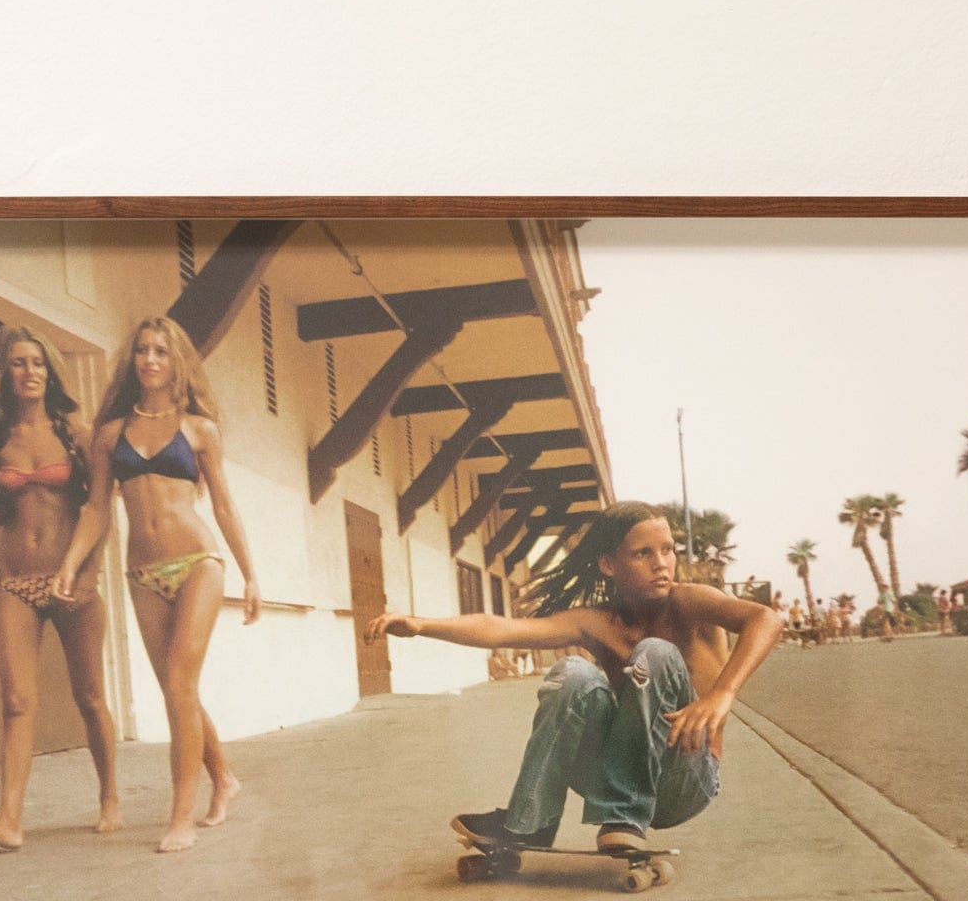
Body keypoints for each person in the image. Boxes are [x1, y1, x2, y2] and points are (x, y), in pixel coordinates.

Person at [364, 502, 783, 856]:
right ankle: (529, 822)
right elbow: (504, 628)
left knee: (654, 653)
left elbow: (765, 619)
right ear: (608, 564)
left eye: (668, 550)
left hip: (684, 779)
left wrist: (722, 694)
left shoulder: (688, 601)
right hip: (619, 772)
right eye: (643, 554)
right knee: (573, 673)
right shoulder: (597, 621)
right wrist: (421, 625)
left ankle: (623, 816)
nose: (662, 564)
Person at [53, 315, 262, 853]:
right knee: (178, 688)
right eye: (143, 350)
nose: (150, 359)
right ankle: (225, 779)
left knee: (178, 684)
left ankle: (180, 816)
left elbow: (224, 505)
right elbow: (97, 509)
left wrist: (251, 574)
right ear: (133, 361)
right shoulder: (109, 434)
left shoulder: (199, 429)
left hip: (199, 562)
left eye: (162, 352)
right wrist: (70, 564)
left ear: (178, 362)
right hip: (142, 573)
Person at [0, 326, 121, 850]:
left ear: (50, 372)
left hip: (71, 579)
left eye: (37, 364)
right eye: (18, 364)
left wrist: (89, 572)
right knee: (15, 699)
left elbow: (100, 509)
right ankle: (9, 821)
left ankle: (111, 797)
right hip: (16, 581)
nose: (28, 372)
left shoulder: (76, 431)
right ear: (2, 375)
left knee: (91, 697)